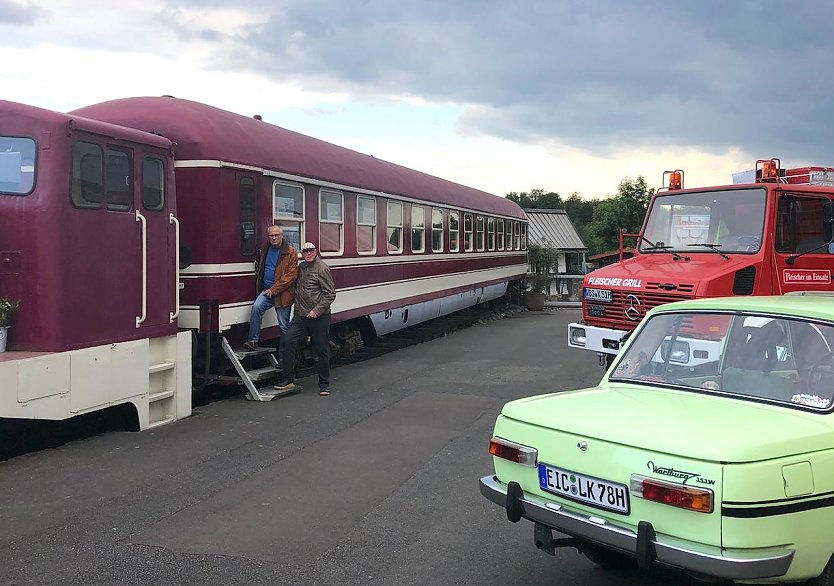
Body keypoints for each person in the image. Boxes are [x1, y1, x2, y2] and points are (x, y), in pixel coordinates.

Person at [274, 242, 337, 396]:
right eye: (305, 251)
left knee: (322, 349)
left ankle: (324, 384)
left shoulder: (322, 268)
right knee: (288, 341)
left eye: (311, 251)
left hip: (319, 317)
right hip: (300, 316)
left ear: (315, 252)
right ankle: (288, 379)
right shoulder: (301, 268)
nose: (308, 254)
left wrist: (316, 311)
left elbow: (330, 294)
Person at [245, 226, 298, 359]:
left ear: (281, 236)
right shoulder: (265, 250)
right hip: (267, 291)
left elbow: (290, 276)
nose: (274, 238)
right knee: (256, 308)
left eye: (276, 235)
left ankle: (283, 359)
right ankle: (253, 340)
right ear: (268, 237)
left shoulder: (290, 252)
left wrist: (274, 289)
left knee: (284, 327)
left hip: (282, 294)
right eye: (271, 235)